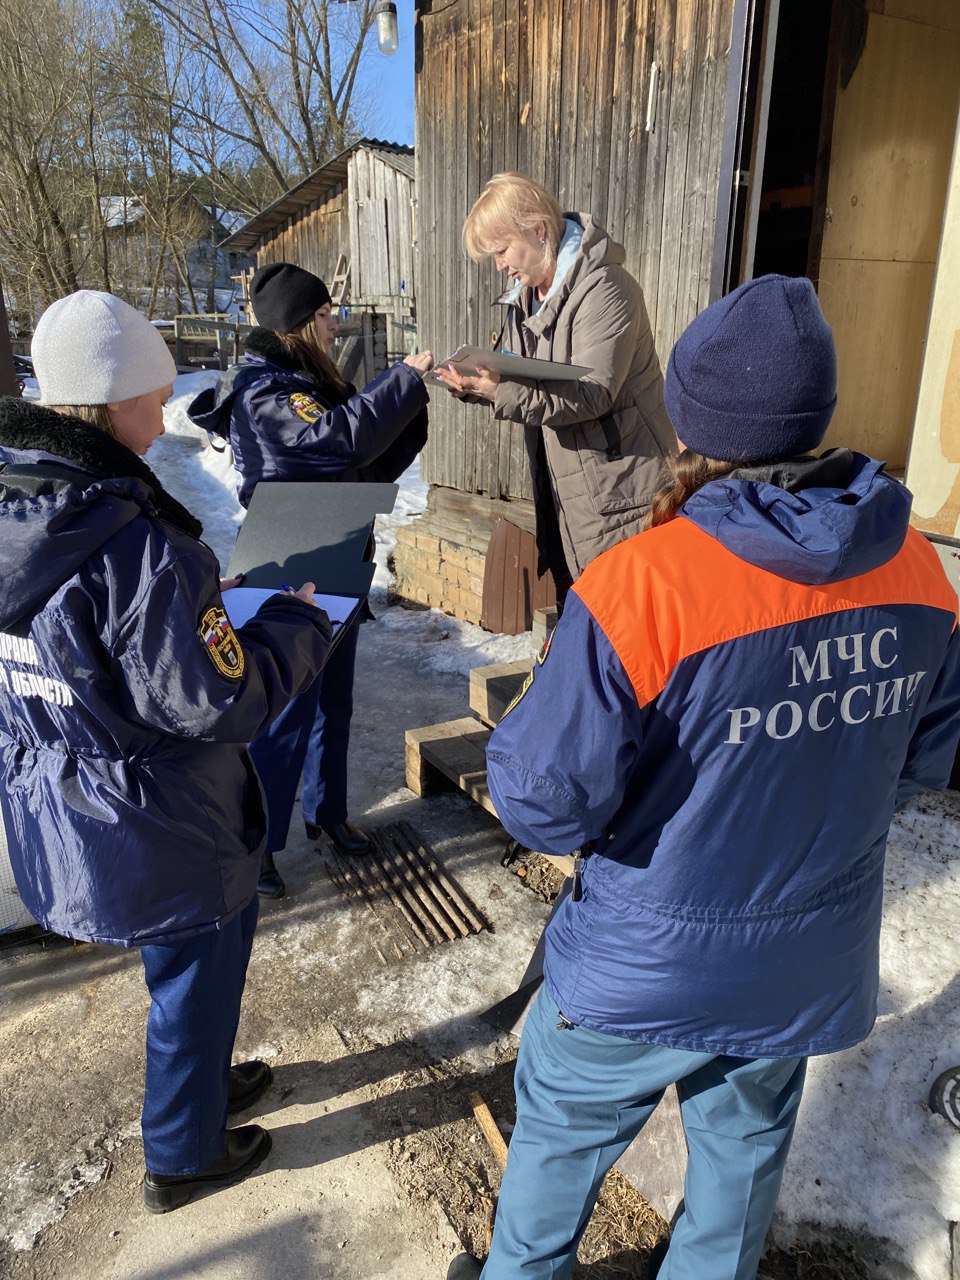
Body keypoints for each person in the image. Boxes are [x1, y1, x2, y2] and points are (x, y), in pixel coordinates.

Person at [447, 275, 960, 1280]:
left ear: (691, 418)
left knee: (555, 1152)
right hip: (805, 955)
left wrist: (527, 728)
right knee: (735, 1179)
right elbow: (928, 753)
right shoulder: (919, 571)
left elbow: (547, 801)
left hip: (642, 966)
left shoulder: (645, 583)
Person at [0, 291, 333, 1213]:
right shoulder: (134, 545)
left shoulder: (25, 510)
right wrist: (300, 623)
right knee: (198, 967)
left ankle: (200, 1083)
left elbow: (105, 651)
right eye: (151, 396)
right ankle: (182, 1153)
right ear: (109, 404)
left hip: (69, 802)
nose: (165, 411)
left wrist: (194, 614)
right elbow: (217, 700)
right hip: (163, 814)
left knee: (185, 969)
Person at [189, 263, 434, 898]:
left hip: (335, 541)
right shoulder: (269, 391)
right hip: (293, 550)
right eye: (325, 316)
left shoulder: (297, 380)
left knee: (333, 701)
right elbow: (339, 440)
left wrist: (415, 401)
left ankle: (328, 812)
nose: (333, 327)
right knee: (285, 709)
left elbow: (363, 454)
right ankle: (264, 843)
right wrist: (404, 377)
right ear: (300, 324)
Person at [436, 172, 676, 608]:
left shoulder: (606, 289)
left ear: (538, 229)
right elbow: (528, 379)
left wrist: (498, 392)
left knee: (628, 622)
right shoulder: (528, 295)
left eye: (502, 250)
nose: (500, 266)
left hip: (625, 490)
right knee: (590, 619)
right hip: (570, 489)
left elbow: (592, 392)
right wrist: (475, 384)